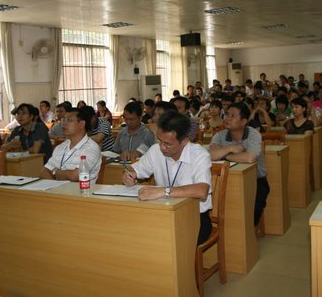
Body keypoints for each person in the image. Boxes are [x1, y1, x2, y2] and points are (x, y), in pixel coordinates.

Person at [122, 110, 212, 245]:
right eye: (159, 140)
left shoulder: (200, 155)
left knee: (162, 240)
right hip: (163, 212)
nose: (162, 147)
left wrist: (164, 191)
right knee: (133, 232)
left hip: (194, 217)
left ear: (184, 141)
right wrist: (129, 175)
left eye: (168, 144)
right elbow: (133, 169)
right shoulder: (155, 150)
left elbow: (202, 190)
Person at [209, 102, 269, 226]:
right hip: (225, 180)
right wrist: (230, 148)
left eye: (233, 116)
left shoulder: (253, 134)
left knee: (250, 212)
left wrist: (225, 155)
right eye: (227, 114)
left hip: (256, 181)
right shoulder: (220, 135)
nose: (227, 118)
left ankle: (248, 231)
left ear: (243, 121)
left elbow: (250, 158)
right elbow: (210, 155)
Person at [40, 107, 101, 183]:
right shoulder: (61, 147)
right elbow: (44, 171)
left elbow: (75, 176)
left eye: (69, 120)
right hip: (58, 189)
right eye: (63, 119)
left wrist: (54, 172)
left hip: (81, 190)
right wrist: (55, 185)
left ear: (81, 124)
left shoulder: (91, 148)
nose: (64, 123)